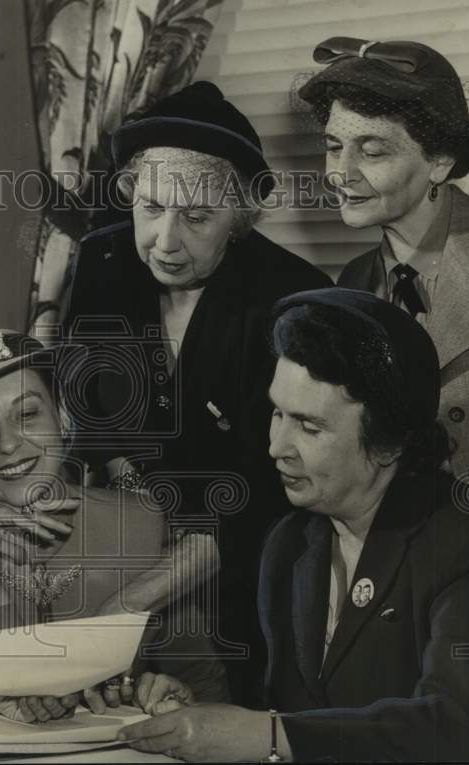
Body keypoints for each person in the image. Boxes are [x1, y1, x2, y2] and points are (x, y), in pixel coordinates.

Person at [118, 288, 469, 762]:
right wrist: (202, 716)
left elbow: (453, 726)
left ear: (389, 442)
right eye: (276, 413)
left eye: (309, 427)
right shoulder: (290, 543)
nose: (277, 445)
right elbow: (290, 714)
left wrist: (268, 735)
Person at [298, 37, 469, 649]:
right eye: (334, 146)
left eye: (373, 150)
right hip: (430, 628)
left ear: (441, 161)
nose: (340, 174)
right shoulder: (354, 291)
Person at [63, 81, 332, 704]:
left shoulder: (291, 299)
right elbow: (89, 418)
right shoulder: (103, 262)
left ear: (240, 217)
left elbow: (269, 489)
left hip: (243, 583)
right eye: (151, 207)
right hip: (123, 548)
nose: (164, 239)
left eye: (197, 217)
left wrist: (133, 600)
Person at [0, 329, 229, 722]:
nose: (7, 444)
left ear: (64, 417)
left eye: (27, 414)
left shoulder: (139, 524)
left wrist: (172, 696)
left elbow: (205, 687)